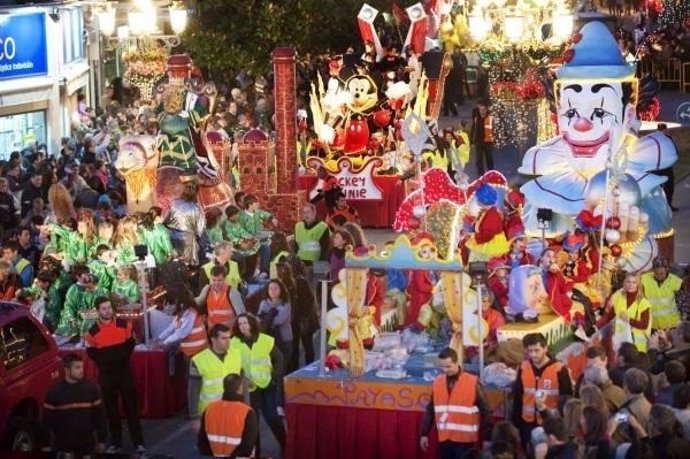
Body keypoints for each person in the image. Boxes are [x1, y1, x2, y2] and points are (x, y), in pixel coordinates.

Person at [85, 297, 145, 454]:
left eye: (109, 308)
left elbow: (130, 344)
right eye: (104, 309)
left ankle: (138, 443)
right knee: (111, 411)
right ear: (97, 311)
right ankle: (116, 443)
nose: (108, 311)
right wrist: (106, 362)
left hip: (125, 373)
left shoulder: (125, 325)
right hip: (106, 376)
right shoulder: (92, 332)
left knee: (132, 408)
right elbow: (91, 352)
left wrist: (118, 359)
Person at [420, 347, 492, 459]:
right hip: (444, 439)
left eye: (448, 366)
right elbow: (431, 409)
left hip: (465, 441)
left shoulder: (472, 382)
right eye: (442, 367)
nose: (445, 370)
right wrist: (424, 433)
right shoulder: (437, 382)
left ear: (457, 363)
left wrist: (488, 438)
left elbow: (486, 411)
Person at [231, 313, 285, 456]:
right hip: (249, 389)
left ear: (252, 324)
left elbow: (279, 360)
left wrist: (274, 378)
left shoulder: (265, 340)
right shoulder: (234, 342)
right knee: (253, 423)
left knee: (272, 417)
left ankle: (286, 445)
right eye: (240, 323)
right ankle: (256, 453)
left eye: (245, 323)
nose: (242, 326)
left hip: (267, 385)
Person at [512, 333, 573, 446]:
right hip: (527, 423)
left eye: (537, 350)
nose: (533, 355)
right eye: (530, 351)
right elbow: (518, 396)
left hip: (550, 423)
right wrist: (516, 422)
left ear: (545, 348)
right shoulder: (523, 367)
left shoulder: (559, 369)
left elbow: (567, 399)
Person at [41, 353, 107, 456]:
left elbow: (100, 417)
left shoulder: (91, 389)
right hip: (63, 447)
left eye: (82, 367)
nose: (81, 370)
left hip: (87, 446)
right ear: (67, 370)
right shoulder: (54, 392)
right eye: (77, 367)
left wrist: (102, 441)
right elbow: (46, 422)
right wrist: (45, 445)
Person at [198, 373, 259, 459]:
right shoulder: (247, 412)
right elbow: (248, 446)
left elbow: (202, 443)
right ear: (240, 389)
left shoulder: (209, 409)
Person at [191, 323, 242, 414]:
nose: (228, 341)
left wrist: (246, 406)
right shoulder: (198, 360)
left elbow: (243, 383)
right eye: (223, 338)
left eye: (229, 337)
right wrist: (194, 414)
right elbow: (193, 390)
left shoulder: (237, 355)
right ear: (213, 340)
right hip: (210, 411)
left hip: (233, 409)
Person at [609, 273, 653, 352]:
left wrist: (629, 320)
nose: (630, 285)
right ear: (624, 283)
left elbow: (644, 324)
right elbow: (608, 317)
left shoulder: (643, 302)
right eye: (628, 282)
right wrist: (596, 326)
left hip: (637, 346)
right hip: (621, 342)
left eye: (634, 282)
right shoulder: (618, 298)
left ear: (638, 285)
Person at [641, 255, 683, 330]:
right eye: (656, 273)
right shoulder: (644, 279)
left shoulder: (674, 280)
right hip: (652, 324)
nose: (659, 276)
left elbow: (681, 300)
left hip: (671, 324)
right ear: (653, 271)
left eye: (662, 273)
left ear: (667, 270)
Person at [656, 123, 678, 211]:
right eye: (661, 130)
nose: (662, 131)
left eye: (663, 130)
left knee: (669, 186)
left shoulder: (668, 138)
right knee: (659, 187)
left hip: (667, 166)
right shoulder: (655, 139)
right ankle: (659, 207)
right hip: (658, 167)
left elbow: (673, 149)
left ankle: (668, 205)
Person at [469, 103, 494, 175]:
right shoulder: (476, 118)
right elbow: (473, 129)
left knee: (489, 159)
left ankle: (491, 173)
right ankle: (481, 174)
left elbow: (494, 129)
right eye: (480, 110)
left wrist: (494, 139)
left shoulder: (490, 118)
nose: (482, 111)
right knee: (479, 160)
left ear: (486, 110)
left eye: (483, 110)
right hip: (478, 141)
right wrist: (472, 141)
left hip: (488, 141)